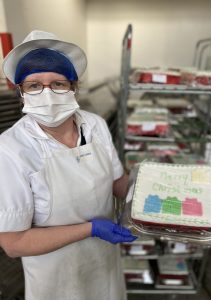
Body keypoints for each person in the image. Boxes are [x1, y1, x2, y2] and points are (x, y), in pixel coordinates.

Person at [0, 30, 137, 300]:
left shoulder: (94, 125)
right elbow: (13, 244)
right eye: (34, 85)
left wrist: (154, 196)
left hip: (103, 259)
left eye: (59, 83)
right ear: (21, 92)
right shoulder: (11, 150)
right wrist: (91, 228)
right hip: (56, 276)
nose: (47, 93)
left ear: (74, 87)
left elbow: (117, 182)